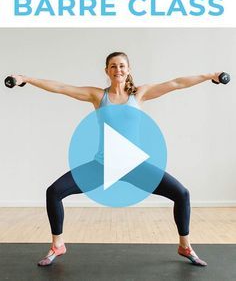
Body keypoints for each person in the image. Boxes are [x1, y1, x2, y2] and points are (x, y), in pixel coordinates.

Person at [11, 51, 221, 267]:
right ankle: (58, 245)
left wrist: (209, 75)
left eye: (121, 66)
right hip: (103, 165)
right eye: (113, 66)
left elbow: (176, 83)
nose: (118, 70)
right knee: (54, 192)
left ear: (128, 69)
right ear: (107, 71)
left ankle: (185, 246)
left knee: (181, 193)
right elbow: (62, 88)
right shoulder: (97, 96)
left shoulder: (139, 94)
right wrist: (27, 79)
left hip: (135, 166)